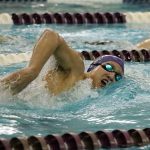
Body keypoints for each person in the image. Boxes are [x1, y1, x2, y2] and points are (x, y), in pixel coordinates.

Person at [1, 29, 124, 95]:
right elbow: (51, 35)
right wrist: (33, 70)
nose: (112, 75)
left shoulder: (84, 94)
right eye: (109, 67)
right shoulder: (77, 69)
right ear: (94, 67)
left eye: (118, 76)